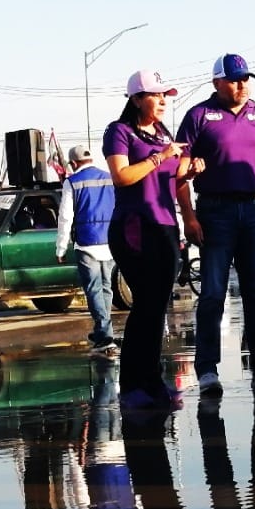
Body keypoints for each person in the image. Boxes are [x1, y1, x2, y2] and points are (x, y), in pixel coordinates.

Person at [175, 54, 255, 396]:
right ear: (217, 82)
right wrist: (188, 215)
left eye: (245, 78)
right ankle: (206, 370)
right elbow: (179, 172)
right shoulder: (198, 117)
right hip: (215, 212)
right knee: (214, 292)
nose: (241, 85)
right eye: (233, 79)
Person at [102, 69, 201, 411]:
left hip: (165, 225)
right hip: (134, 227)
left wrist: (188, 170)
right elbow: (122, 175)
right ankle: (132, 386)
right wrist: (159, 157)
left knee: (158, 307)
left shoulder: (162, 133)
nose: (162, 101)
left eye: (165, 96)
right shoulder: (120, 132)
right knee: (144, 305)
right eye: (155, 95)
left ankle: (154, 381)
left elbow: (173, 179)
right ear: (135, 99)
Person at [56, 143, 119, 356]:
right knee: (106, 287)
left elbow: (65, 217)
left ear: (73, 163)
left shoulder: (71, 182)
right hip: (110, 241)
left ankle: (105, 335)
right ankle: (102, 331)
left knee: (93, 289)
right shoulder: (110, 178)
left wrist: (61, 247)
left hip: (87, 242)